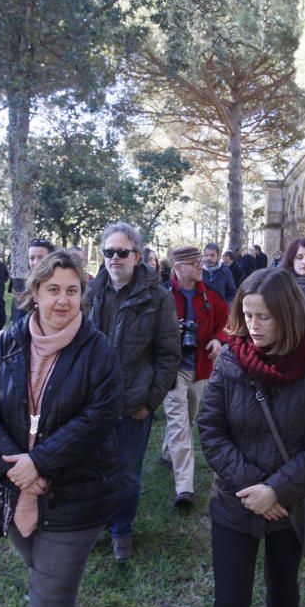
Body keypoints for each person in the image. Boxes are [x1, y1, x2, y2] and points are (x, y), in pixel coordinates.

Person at [0, 251, 123, 607]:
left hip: (75, 495)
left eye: (72, 290)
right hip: (13, 488)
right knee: (42, 574)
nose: (63, 300)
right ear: (35, 293)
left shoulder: (98, 350)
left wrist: (37, 463)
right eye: (53, 289)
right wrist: (13, 467)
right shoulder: (6, 343)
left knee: (49, 599)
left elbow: (98, 419)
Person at [197, 267, 305, 607]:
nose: (254, 325)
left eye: (265, 316)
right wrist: (255, 489)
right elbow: (210, 429)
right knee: (230, 601)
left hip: (290, 504)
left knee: (282, 594)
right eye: (248, 315)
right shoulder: (231, 359)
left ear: (288, 314)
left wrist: (277, 490)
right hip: (236, 499)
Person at [85, 222, 180, 562]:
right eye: (108, 252)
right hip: (92, 403)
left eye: (122, 252)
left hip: (133, 403)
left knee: (126, 473)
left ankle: (121, 529)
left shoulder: (158, 297)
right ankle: (98, 523)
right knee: (94, 469)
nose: (114, 258)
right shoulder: (91, 293)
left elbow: (169, 355)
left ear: (137, 256)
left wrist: (149, 401)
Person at [162, 246, 227, 509]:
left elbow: (227, 323)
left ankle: (167, 452)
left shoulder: (210, 296)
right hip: (173, 370)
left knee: (188, 416)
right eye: (194, 263)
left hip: (201, 368)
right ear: (178, 267)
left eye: (200, 261)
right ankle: (184, 488)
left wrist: (218, 339)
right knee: (181, 427)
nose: (201, 266)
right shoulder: (163, 297)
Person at [11, 239, 57, 324]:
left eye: (41, 257)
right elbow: (17, 320)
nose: (36, 262)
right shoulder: (25, 285)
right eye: (32, 258)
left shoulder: (59, 284)